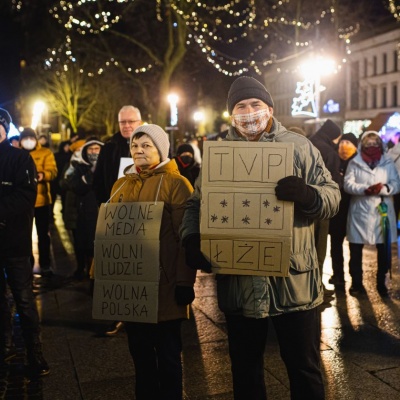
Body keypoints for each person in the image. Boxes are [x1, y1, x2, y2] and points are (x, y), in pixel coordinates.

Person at [180, 76, 340, 400]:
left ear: (269, 108)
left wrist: (308, 196)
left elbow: (332, 196)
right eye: (240, 106)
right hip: (240, 283)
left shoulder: (299, 146)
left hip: (293, 281)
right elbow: (196, 204)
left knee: (303, 368)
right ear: (231, 114)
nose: (249, 112)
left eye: (255, 104)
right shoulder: (218, 154)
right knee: (245, 369)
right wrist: (192, 236)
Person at [104, 124, 196, 399]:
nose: (139, 150)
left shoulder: (177, 184)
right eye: (135, 146)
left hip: (165, 287)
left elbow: (185, 237)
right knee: (140, 356)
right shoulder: (120, 184)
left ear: (161, 150)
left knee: (168, 357)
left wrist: (183, 281)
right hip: (132, 287)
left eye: (146, 146)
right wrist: (104, 275)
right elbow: (109, 235)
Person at [0, 108, 49, 376]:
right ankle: (4, 346)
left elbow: (25, 196)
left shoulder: (20, 159)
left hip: (15, 242)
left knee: (24, 299)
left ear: (6, 130)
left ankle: (35, 352)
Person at [344, 131, 400, 296]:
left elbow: (396, 183)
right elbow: (347, 183)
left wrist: (383, 188)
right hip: (360, 211)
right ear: (363, 144)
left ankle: (381, 283)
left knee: (383, 251)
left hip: (381, 211)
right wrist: (364, 189)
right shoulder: (355, 162)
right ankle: (356, 283)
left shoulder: (388, 162)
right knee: (355, 250)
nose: (371, 146)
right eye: (368, 143)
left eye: (374, 143)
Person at [60, 138, 103, 280]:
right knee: (82, 242)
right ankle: (83, 268)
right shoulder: (78, 167)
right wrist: (90, 174)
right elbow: (74, 185)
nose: (94, 152)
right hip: (82, 212)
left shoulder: (106, 166)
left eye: (97, 149)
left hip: (100, 211)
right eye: (91, 149)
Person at [19, 128, 57, 277]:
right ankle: (27, 263)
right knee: (24, 235)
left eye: (31, 138)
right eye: (25, 138)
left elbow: (53, 171)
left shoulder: (46, 153)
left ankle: (45, 264)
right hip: (23, 202)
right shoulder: (17, 153)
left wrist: (43, 174)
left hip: (42, 201)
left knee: (43, 234)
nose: (28, 140)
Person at [309, 119, 342, 288]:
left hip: (304, 202)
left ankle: (308, 286)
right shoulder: (329, 152)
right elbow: (333, 183)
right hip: (321, 205)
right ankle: (316, 287)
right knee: (319, 248)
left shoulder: (308, 144)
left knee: (305, 249)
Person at [93, 105, 142, 205]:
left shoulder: (152, 147)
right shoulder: (108, 148)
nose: (126, 125)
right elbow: (98, 179)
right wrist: (104, 204)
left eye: (131, 121)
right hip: (114, 208)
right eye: (123, 122)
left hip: (144, 208)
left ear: (139, 122)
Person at [328, 133, 358, 285]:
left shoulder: (358, 163)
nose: (344, 145)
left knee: (355, 246)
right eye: (342, 142)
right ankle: (338, 275)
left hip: (353, 210)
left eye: (348, 142)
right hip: (338, 211)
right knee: (336, 245)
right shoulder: (334, 160)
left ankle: (356, 278)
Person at [50, 140, 72, 219]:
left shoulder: (71, 156)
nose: (67, 148)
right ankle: (50, 214)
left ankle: (64, 212)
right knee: (53, 197)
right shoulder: (57, 155)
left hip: (65, 179)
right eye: (65, 146)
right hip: (56, 178)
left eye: (69, 146)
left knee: (64, 197)